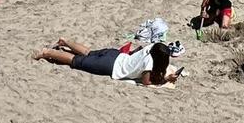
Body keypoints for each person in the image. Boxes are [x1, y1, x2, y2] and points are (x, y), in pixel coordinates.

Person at [34, 39, 177, 86]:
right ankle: (48, 53)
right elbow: (146, 82)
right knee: (76, 61)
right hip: (111, 66)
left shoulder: (150, 48)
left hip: (116, 54)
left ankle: (65, 41)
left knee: (88, 53)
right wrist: (165, 79)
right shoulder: (149, 64)